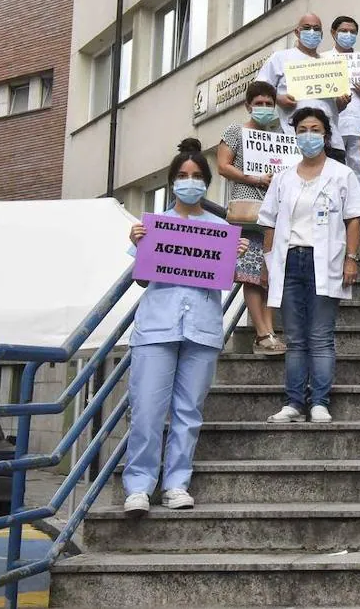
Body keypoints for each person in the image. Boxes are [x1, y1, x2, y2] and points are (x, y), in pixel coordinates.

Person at [123, 139, 249, 516]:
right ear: (172, 181)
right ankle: (139, 486)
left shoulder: (220, 229)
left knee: (188, 411)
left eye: (195, 176)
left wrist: (234, 256)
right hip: (157, 327)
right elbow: (142, 281)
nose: (189, 181)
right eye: (182, 176)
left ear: (206, 183)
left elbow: (223, 278)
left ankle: (177, 483)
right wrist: (140, 247)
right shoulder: (155, 227)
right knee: (146, 409)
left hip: (202, 328)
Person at [259, 108, 360, 424]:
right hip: (290, 260)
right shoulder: (283, 178)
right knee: (294, 337)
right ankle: (293, 402)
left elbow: (354, 219)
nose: (309, 135)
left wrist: (351, 257)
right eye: (303, 129)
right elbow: (268, 223)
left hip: (326, 261)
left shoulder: (341, 174)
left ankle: (319, 401)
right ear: (296, 136)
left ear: (325, 134)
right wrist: (268, 263)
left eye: (315, 129)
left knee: (320, 336)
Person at [216, 81, 286, 355]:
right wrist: (254, 178)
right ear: (248, 105)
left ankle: (269, 329)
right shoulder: (235, 131)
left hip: (274, 216)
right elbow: (223, 166)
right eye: (259, 103)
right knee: (250, 274)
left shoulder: (278, 134)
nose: (265, 108)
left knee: (268, 274)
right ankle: (261, 332)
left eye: (269, 103)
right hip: (247, 214)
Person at [256, 13, 347, 163]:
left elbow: (333, 107)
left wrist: (341, 103)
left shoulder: (331, 64)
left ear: (322, 34)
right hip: (294, 139)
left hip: (331, 141)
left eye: (316, 29)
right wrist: (278, 99)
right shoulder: (280, 58)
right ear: (297, 32)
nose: (312, 32)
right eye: (307, 28)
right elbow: (258, 90)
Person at [325, 15, 360, 234]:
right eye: (344, 31)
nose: (348, 35)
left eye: (352, 32)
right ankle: (334, 224)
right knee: (332, 175)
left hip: (359, 126)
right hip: (331, 125)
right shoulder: (322, 59)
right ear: (333, 33)